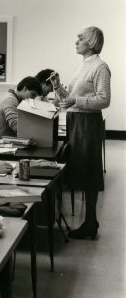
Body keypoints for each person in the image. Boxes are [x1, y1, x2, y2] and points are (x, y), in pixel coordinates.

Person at [51, 26, 110, 240]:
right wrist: (58, 87)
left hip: (87, 122)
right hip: (76, 120)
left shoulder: (100, 67)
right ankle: (90, 222)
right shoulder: (82, 66)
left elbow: (104, 99)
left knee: (88, 169)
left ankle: (91, 222)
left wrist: (77, 100)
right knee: (81, 168)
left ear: (92, 42)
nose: (76, 41)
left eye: (81, 38)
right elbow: (68, 100)